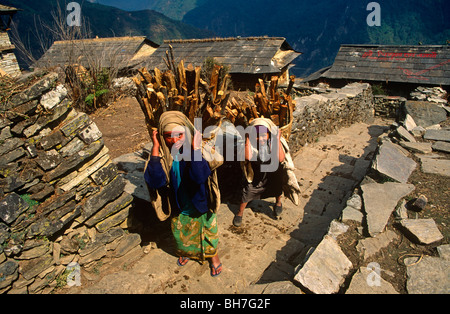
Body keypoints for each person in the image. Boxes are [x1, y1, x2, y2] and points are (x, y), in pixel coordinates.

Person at [144, 111, 223, 277]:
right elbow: (156, 182)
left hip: (199, 202)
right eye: (168, 136)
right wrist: (156, 148)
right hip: (179, 204)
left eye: (179, 135)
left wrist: (194, 149)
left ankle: (213, 257)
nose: (174, 140)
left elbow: (199, 176)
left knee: (208, 233)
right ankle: (187, 253)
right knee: (182, 234)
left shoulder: (200, 150)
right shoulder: (164, 155)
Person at [233, 118, 286, 227]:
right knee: (248, 190)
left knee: (277, 187)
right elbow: (247, 157)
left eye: (263, 135)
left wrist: (277, 139)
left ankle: (278, 203)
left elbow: (280, 159)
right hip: (256, 173)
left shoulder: (273, 140)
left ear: (268, 134)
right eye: (257, 136)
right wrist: (247, 138)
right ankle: (240, 213)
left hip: (273, 172)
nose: (260, 139)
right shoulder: (250, 143)